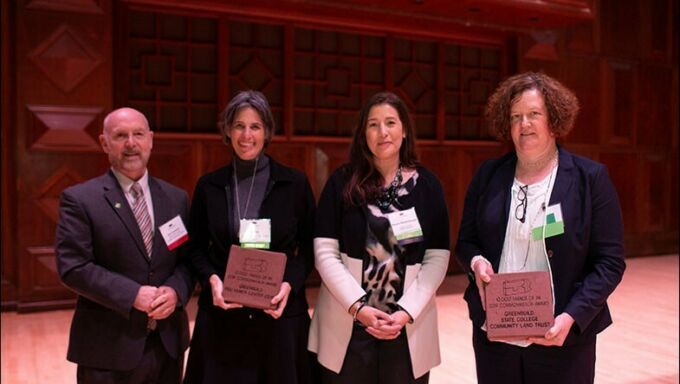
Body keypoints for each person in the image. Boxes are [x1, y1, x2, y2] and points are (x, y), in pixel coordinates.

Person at [455, 71, 626, 384]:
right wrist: (476, 262)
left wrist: (572, 317)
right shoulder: (487, 176)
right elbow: (466, 242)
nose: (524, 124)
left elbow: (610, 263)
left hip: (562, 336)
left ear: (554, 120)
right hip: (496, 335)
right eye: (516, 116)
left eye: (534, 114)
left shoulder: (591, 179)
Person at [309, 92, 450, 384]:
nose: (382, 132)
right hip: (348, 321)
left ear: (405, 130)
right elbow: (325, 252)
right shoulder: (341, 182)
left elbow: (437, 256)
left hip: (406, 324)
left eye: (390, 122)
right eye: (373, 125)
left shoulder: (428, 186)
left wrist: (406, 311)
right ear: (363, 134)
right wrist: (357, 307)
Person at [183, 90, 316, 384]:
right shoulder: (209, 186)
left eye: (255, 126)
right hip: (222, 317)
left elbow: (309, 247)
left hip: (279, 318)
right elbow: (195, 248)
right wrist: (212, 281)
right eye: (239, 126)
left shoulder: (294, 183)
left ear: (267, 131)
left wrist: (289, 284)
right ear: (228, 131)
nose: (246, 135)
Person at [55, 107, 194, 383]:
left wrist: (176, 291)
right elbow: (73, 266)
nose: (131, 143)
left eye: (138, 134)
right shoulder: (80, 200)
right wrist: (132, 294)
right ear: (104, 143)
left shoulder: (176, 198)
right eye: (120, 135)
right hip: (109, 348)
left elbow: (188, 261)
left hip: (167, 345)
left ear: (151, 140)